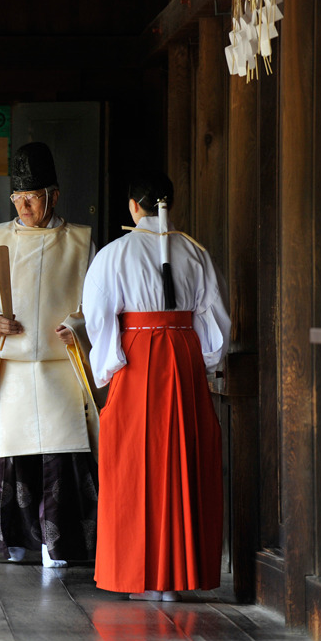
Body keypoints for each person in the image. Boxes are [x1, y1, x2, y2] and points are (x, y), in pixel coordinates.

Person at [82, 171, 230, 601]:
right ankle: (178, 575)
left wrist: (108, 363)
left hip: (138, 358)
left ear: (134, 206)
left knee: (133, 462)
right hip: (182, 355)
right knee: (183, 458)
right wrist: (204, 358)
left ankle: (141, 575)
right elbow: (214, 317)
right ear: (171, 203)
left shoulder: (114, 254)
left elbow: (98, 316)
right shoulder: (195, 252)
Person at [0, 142, 99, 568]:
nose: (24, 206)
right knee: (13, 457)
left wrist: (77, 327)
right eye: (17, 198)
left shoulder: (79, 241)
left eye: (32, 197)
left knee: (61, 457)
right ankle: (13, 541)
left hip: (61, 372)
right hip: (14, 370)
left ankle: (62, 545)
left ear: (53, 195)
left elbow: (100, 303)